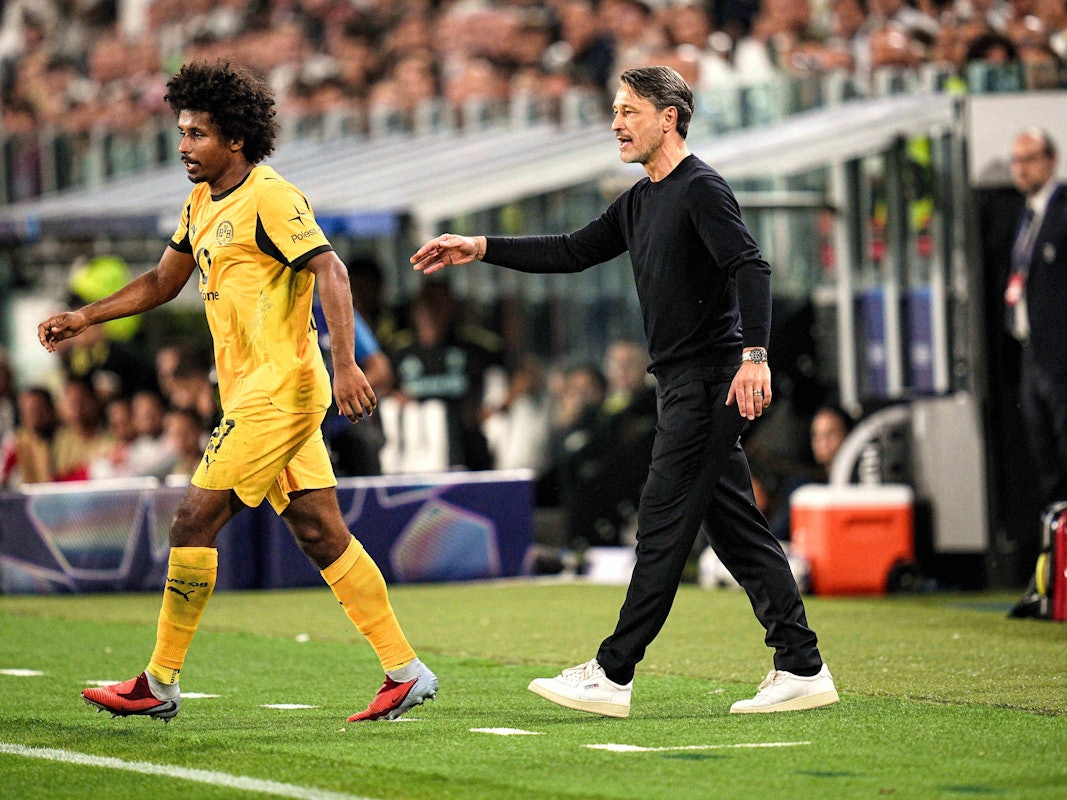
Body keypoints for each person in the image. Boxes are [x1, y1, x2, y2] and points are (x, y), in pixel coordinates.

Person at [410, 65, 837, 718]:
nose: (615, 123)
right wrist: (480, 246)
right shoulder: (641, 199)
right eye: (614, 110)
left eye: (628, 110)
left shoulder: (701, 189)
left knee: (661, 526)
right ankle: (801, 664)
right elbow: (572, 249)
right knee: (736, 531)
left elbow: (750, 265)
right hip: (678, 386)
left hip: (708, 383)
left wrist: (755, 357)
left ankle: (612, 672)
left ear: (668, 118)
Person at [38, 60, 436, 724]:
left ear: (235, 140)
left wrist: (346, 364)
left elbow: (331, 271)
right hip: (257, 393)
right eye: (182, 132)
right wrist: (86, 318)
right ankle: (405, 669)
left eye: (196, 133)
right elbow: (162, 283)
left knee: (193, 520)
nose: (183, 146)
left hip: (278, 393)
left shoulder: (271, 198)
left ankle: (159, 682)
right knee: (318, 530)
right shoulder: (200, 203)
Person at [1005, 128, 1067, 509]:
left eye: (1029, 159)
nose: (1021, 169)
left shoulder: (1061, 212)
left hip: (1059, 354)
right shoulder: (1028, 216)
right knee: (1043, 451)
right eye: (1016, 161)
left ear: (1051, 160)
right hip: (1031, 351)